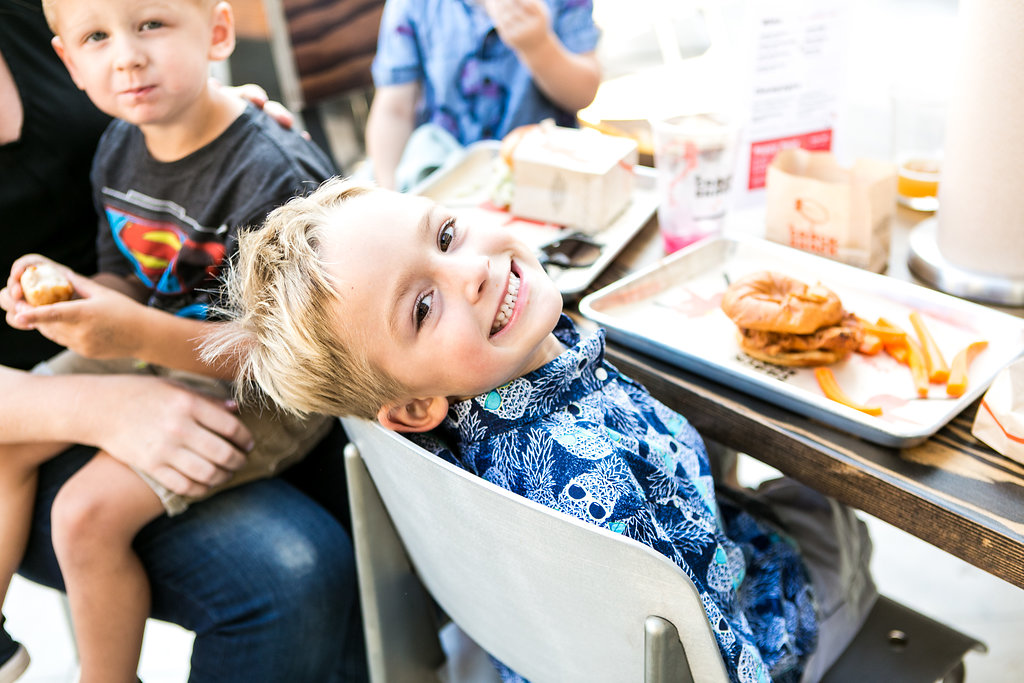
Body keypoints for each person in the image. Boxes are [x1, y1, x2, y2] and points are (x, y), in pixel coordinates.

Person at [205, 178, 879, 683]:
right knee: (836, 511)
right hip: (746, 631)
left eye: (445, 236)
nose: (469, 271)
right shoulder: (594, 478)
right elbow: (717, 658)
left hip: (553, 644)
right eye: (422, 306)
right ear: (412, 406)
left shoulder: (488, 375)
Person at [0, 1, 364, 681]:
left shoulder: (271, 172)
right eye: (98, 38)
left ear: (218, 33)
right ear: (70, 61)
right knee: (10, 441)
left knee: (84, 514)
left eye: (152, 26)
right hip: (163, 348)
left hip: (269, 382)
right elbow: (127, 280)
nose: (128, 57)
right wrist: (76, 294)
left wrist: (125, 327)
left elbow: (293, 352)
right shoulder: (120, 145)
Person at [365, 0, 601, 191]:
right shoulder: (412, 6)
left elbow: (583, 94)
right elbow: (393, 110)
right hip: (450, 182)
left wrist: (538, 46)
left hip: (551, 177)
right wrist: (388, 189)